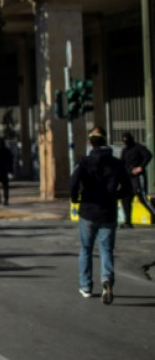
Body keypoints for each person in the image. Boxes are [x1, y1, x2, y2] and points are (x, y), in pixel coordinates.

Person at [69, 127, 130, 304]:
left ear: (90, 142)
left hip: (88, 210)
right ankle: (107, 279)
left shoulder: (85, 162)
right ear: (105, 141)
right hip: (108, 211)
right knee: (106, 249)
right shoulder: (117, 163)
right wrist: (113, 196)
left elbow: (73, 182)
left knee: (86, 249)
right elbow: (127, 188)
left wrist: (75, 198)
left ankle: (86, 286)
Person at [119, 132, 154, 228]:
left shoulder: (138, 148)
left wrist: (140, 167)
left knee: (142, 197)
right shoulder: (125, 150)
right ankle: (128, 221)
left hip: (138, 177)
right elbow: (122, 162)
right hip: (128, 177)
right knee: (125, 199)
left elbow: (148, 155)